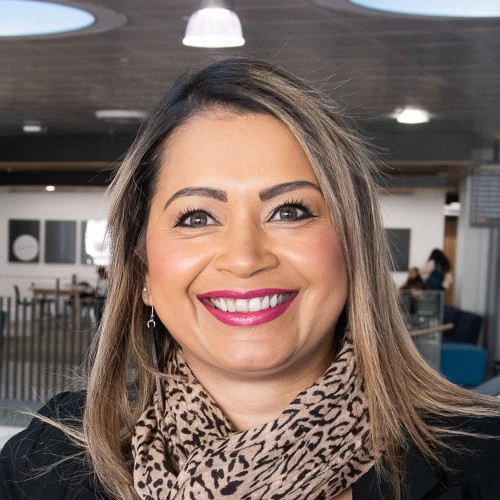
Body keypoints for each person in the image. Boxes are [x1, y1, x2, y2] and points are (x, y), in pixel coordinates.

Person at [1, 57, 500, 500]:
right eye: (196, 217)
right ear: (143, 270)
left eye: (289, 211)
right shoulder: (44, 465)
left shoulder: (484, 464)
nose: (244, 258)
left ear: (354, 249)